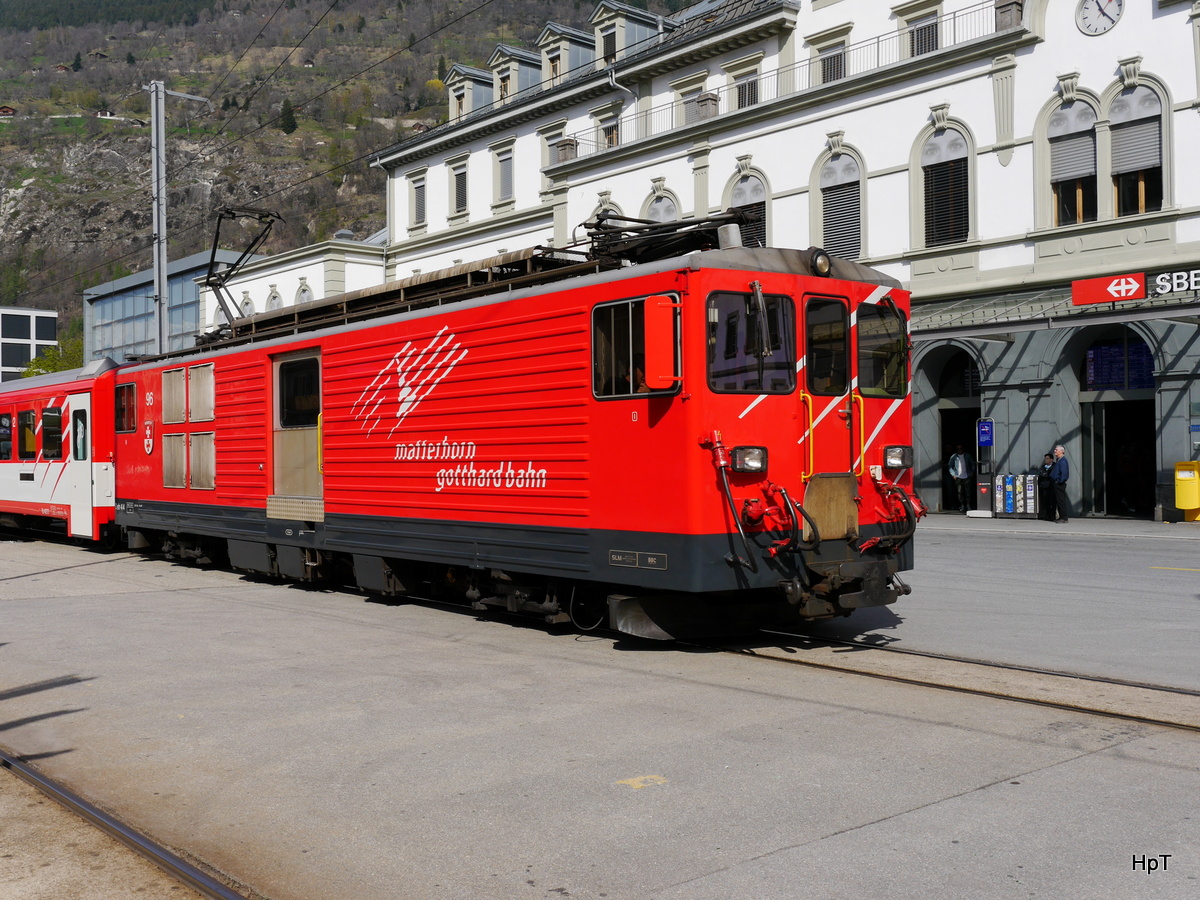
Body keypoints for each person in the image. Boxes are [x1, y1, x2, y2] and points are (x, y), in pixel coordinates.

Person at [947, 444, 975, 513]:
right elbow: (950, 466)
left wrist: (971, 473)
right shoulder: (954, 457)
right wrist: (953, 474)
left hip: (966, 476)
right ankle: (962, 505)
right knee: (960, 492)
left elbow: (972, 464)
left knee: (968, 491)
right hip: (958, 477)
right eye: (958, 449)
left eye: (961, 448)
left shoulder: (967, 456)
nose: (959, 450)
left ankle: (968, 504)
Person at [1049, 444, 1070, 523]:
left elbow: (1064, 473)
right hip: (1056, 483)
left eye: (1056, 450)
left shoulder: (1063, 461)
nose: (1055, 451)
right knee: (1057, 500)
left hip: (1059, 484)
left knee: (1061, 501)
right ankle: (1061, 516)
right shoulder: (1059, 460)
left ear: (1061, 451)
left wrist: (1059, 481)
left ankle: (1064, 517)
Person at [1037, 453, 1055, 521]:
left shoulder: (1054, 466)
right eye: (1045, 458)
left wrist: (1045, 476)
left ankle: (1052, 516)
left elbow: (1050, 476)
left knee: (1052, 502)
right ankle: (1046, 515)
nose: (1046, 460)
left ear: (1051, 459)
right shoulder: (1043, 467)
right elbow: (1041, 475)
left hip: (1050, 487)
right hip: (1043, 487)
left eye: (1047, 458)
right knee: (1045, 502)